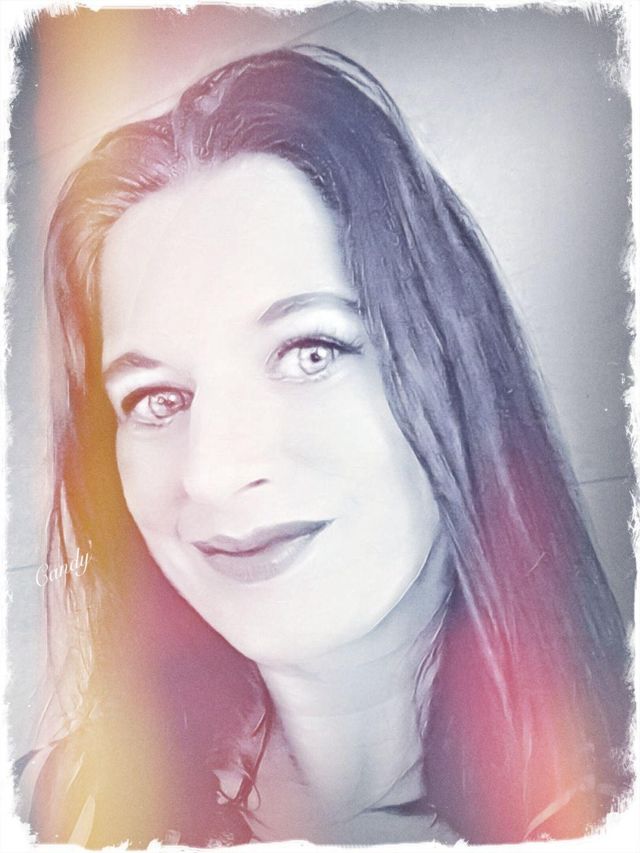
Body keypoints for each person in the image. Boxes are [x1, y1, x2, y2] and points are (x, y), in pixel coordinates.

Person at [15, 45, 632, 847]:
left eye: (311, 350)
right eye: (157, 398)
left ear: (451, 360)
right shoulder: (59, 807)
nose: (214, 472)